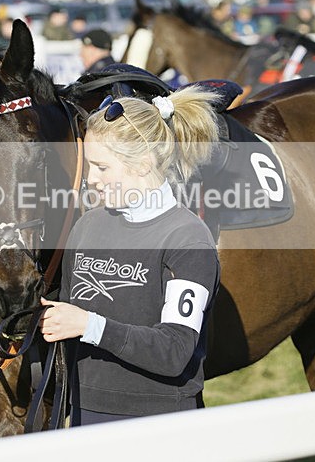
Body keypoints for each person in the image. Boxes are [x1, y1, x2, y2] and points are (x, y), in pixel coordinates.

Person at [39, 86, 221, 425]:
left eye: (102, 168)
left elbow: (175, 352)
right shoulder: (87, 226)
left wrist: (89, 326)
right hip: (83, 412)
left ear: (143, 163)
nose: (91, 180)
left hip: (159, 421)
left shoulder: (188, 239)